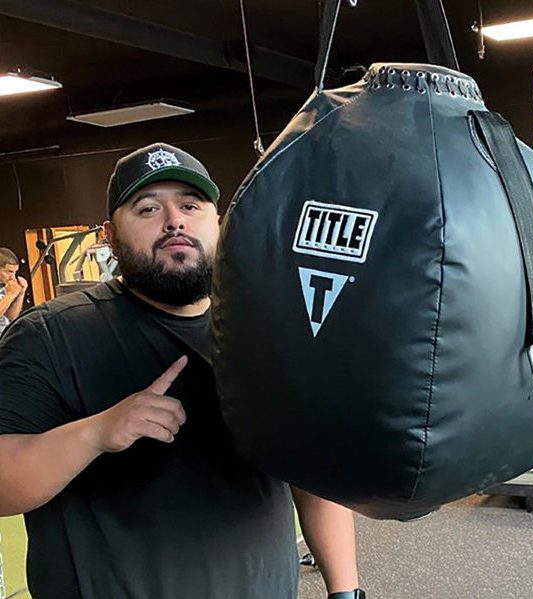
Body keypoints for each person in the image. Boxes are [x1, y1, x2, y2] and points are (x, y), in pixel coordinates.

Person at [0, 143, 363, 599]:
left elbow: (310, 473)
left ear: (218, 222)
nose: (174, 220)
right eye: (148, 208)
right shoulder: (49, 336)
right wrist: (96, 433)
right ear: (110, 235)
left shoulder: (266, 327)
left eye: (190, 205)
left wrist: (345, 591)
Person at [0, 247, 27, 338]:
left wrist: (21, 293)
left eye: (15, 272)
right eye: (9, 272)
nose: (13, 277)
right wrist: (10, 295)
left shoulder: (5, 286)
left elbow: (11, 316)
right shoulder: (9, 291)